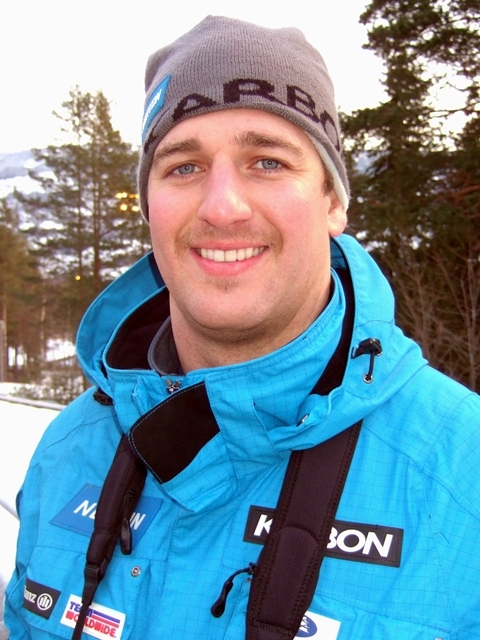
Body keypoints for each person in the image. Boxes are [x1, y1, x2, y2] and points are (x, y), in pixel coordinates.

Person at [5, 15, 480, 640]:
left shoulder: (461, 473)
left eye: (267, 161)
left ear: (333, 201)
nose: (222, 206)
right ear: (148, 207)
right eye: (183, 167)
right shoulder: (69, 452)